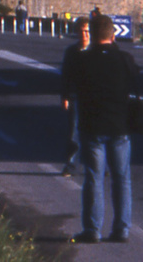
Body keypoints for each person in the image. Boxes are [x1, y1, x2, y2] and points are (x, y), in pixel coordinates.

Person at [61, 13, 140, 244]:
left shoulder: (81, 60)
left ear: (92, 35)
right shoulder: (124, 59)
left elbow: (71, 83)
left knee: (93, 178)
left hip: (91, 126)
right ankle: (122, 229)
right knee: (121, 179)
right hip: (119, 127)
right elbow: (137, 83)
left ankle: (92, 229)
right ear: (113, 34)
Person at [58, 16, 91, 175]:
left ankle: (99, 165)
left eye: (87, 31)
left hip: (94, 98)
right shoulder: (71, 52)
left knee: (96, 134)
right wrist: (64, 96)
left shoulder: (97, 50)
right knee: (73, 132)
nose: (84, 35)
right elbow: (66, 75)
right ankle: (70, 164)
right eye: (81, 31)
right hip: (76, 96)